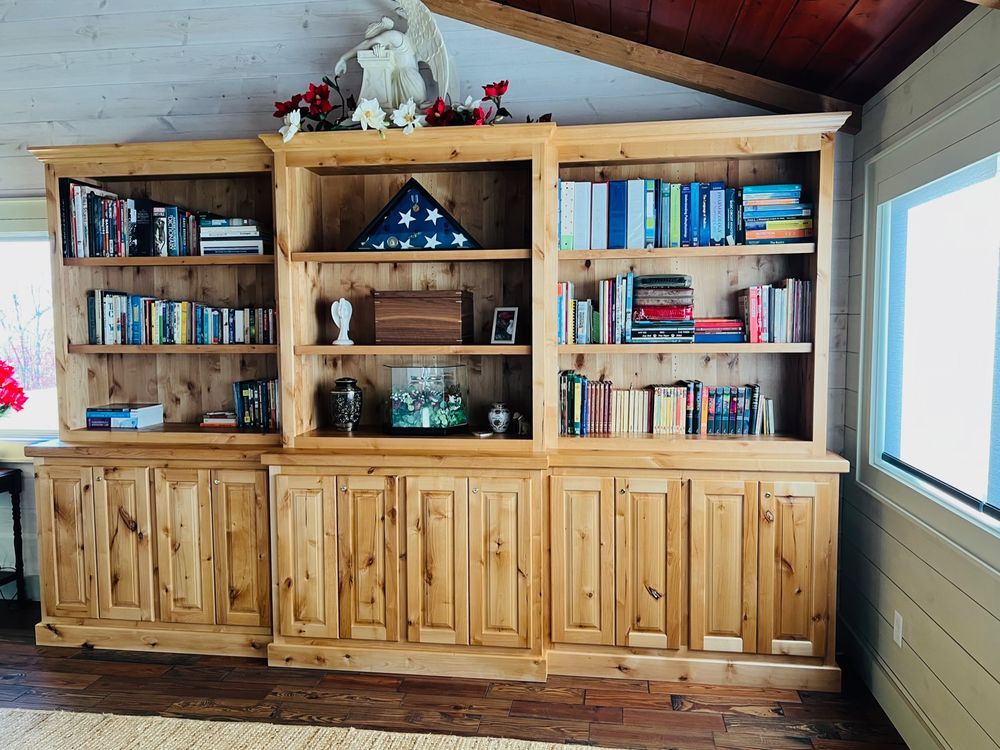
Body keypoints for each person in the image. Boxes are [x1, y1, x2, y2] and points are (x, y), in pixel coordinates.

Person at [335, 16, 427, 108]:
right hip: (403, 80)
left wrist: (343, 58)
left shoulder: (393, 35)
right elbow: (369, 44)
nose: (372, 43)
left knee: (414, 110)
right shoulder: (396, 39)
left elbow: (366, 44)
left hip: (408, 81)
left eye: (374, 38)